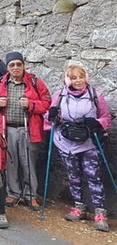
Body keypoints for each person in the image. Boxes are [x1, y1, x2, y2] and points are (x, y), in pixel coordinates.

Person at [46, 65, 112, 232]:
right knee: (73, 176)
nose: (78, 81)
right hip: (66, 142)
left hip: (88, 142)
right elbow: (49, 119)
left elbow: (106, 117)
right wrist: (52, 115)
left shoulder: (95, 95)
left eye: (81, 77)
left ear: (86, 77)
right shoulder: (60, 95)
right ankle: (79, 207)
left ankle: (100, 213)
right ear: (68, 80)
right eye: (74, 78)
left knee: (93, 176)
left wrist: (97, 124)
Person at [0, 51, 50, 210]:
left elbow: (47, 102)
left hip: (28, 128)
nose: (15, 68)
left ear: (23, 65)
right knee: (10, 162)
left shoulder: (34, 81)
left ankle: (31, 195)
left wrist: (31, 105)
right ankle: (13, 193)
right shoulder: (1, 82)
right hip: (7, 128)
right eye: (12, 65)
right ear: (7, 67)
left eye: (18, 64)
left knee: (28, 162)